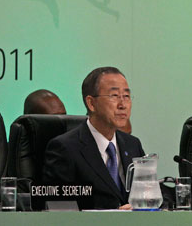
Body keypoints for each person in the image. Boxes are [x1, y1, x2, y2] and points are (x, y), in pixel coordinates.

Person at [43, 67, 144, 209]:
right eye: (114, 96)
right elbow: (60, 210)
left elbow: (148, 190)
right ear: (91, 103)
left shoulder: (132, 144)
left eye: (126, 96)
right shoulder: (65, 148)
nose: (123, 105)